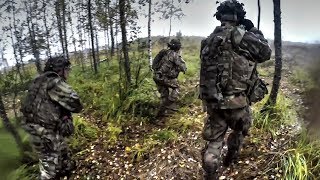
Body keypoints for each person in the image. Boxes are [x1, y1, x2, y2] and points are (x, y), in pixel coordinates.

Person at [199, 0, 272, 179]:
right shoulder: (242, 36)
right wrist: (254, 31)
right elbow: (265, 53)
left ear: (220, 18)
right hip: (238, 102)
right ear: (238, 17)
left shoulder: (208, 40)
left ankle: (210, 172)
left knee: (214, 141)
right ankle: (231, 157)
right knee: (239, 130)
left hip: (213, 102)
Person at [20, 56, 83, 179]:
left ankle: (65, 169)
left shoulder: (38, 81)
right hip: (44, 131)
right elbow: (76, 103)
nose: (68, 72)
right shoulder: (54, 82)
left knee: (60, 150)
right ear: (61, 70)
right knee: (49, 166)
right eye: (67, 69)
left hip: (35, 127)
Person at [152, 39, 187, 118]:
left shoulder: (164, 52)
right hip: (165, 78)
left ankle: (160, 115)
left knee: (164, 95)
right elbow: (183, 67)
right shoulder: (175, 55)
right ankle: (167, 106)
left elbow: (154, 65)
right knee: (177, 88)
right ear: (178, 48)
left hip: (157, 77)